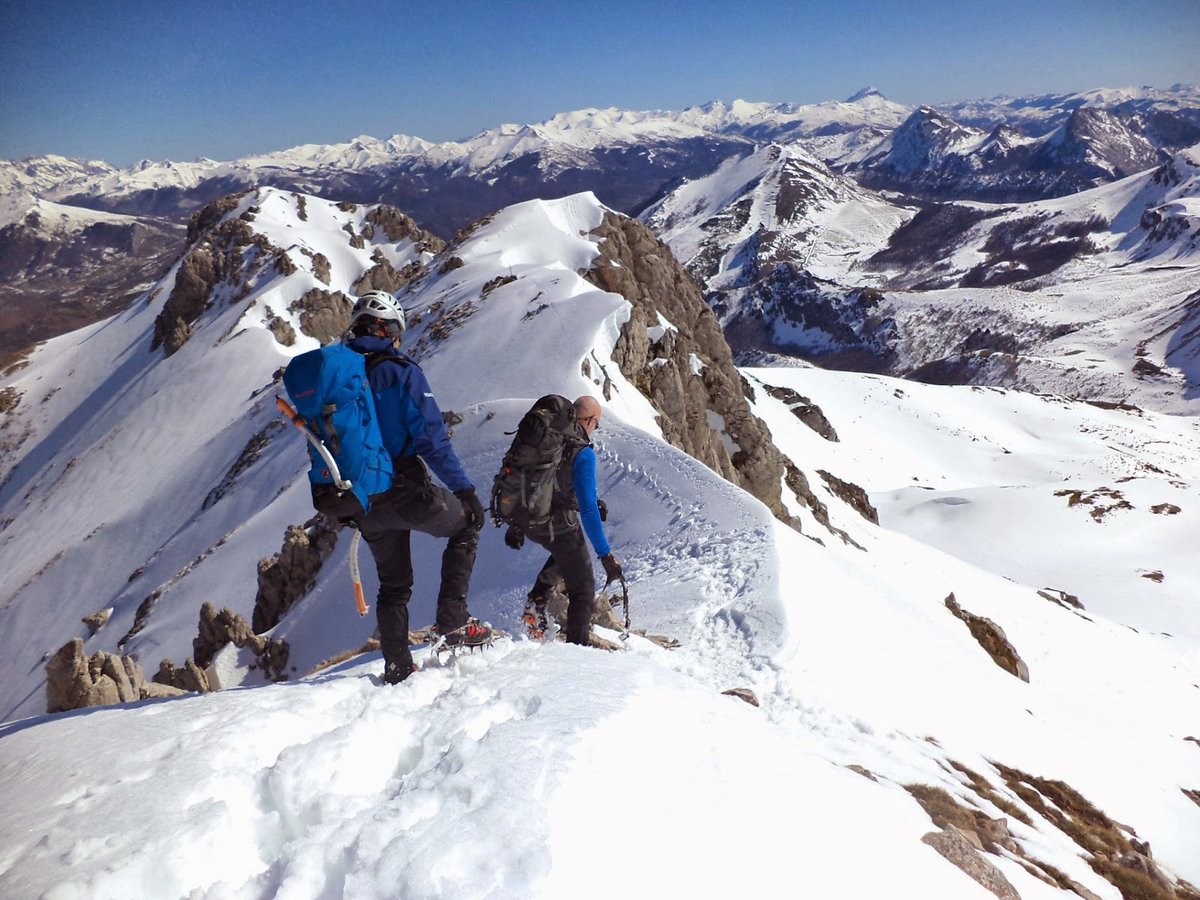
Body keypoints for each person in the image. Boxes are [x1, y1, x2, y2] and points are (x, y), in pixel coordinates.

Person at [345, 290, 491, 684]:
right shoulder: (400, 371)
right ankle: (453, 621)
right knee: (465, 525)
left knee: (393, 584)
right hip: (406, 487)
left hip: (362, 500)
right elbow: (430, 438)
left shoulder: (340, 376)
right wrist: (464, 490)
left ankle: (397, 665)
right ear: (389, 329)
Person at [505, 395, 622, 645]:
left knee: (568, 551)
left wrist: (515, 524)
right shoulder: (582, 452)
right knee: (583, 588)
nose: (595, 429)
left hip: (528, 518)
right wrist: (605, 556)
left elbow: (537, 480)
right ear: (589, 420)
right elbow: (588, 511)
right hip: (556, 524)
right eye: (596, 424)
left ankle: (537, 600)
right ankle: (576, 652)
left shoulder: (548, 439)